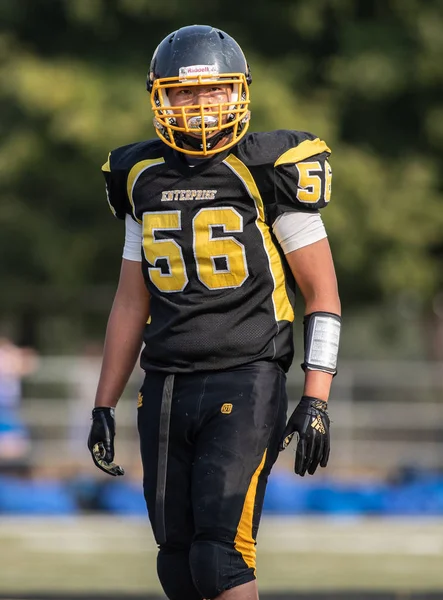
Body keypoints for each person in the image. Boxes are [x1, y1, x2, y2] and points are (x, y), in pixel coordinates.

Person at [88, 24, 341, 600]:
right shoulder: (139, 176)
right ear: (159, 96)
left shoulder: (270, 169)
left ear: (239, 93)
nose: (200, 106)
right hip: (168, 383)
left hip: (247, 375)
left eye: (213, 91)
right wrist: (104, 402)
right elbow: (132, 300)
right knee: (175, 561)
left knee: (220, 556)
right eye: (183, 93)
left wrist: (317, 396)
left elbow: (322, 295)